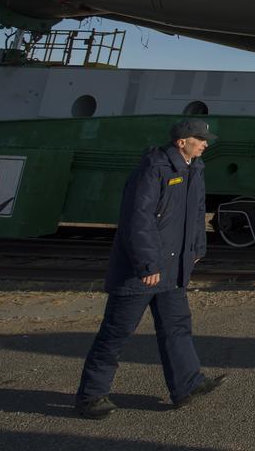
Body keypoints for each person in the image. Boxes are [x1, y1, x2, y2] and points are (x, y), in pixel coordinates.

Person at [74, 119, 227, 419]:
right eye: (200, 138)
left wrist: (196, 249)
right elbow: (137, 220)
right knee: (116, 333)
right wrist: (148, 263)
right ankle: (90, 397)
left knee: (176, 327)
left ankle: (188, 385)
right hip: (143, 271)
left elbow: (196, 213)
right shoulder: (153, 168)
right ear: (182, 141)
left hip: (173, 269)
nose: (206, 143)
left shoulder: (194, 169)